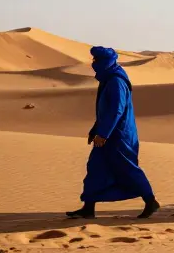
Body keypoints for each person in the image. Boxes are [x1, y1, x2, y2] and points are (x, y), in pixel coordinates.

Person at [67, 47, 159, 219]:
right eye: (93, 60)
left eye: (97, 60)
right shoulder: (108, 78)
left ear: (106, 62)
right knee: (95, 167)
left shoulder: (116, 81)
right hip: (108, 133)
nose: (94, 63)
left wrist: (103, 133)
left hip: (119, 136)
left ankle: (150, 201)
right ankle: (88, 207)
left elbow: (116, 110)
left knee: (127, 169)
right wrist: (96, 129)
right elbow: (106, 110)